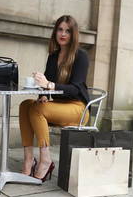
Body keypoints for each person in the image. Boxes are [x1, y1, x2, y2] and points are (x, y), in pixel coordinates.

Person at [19, 15, 90, 182]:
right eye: (60, 29)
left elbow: (75, 89)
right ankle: (29, 159)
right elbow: (46, 87)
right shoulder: (53, 56)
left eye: (67, 31)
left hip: (78, 109)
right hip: (58, 106)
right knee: (26, 105)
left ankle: (45, 159)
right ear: (55, 32)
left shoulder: (81, 56)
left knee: (37, 109)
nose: (63, 34)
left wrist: (50, 85)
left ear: (74, 34)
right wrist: (43, 94)